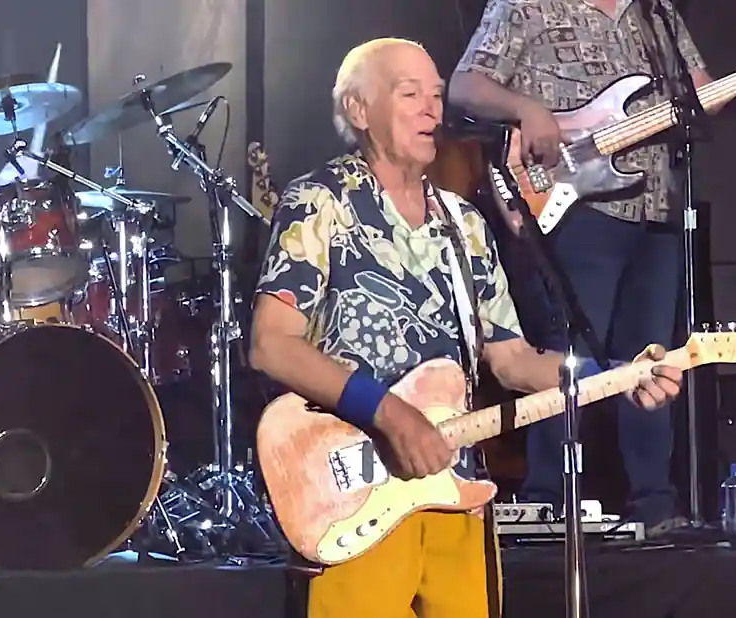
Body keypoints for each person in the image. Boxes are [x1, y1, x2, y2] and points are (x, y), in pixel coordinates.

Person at [249, 37, 684, 618]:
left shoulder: (464, 223)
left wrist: (617, 376)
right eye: (411, 94)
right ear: (359, 110)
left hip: (456, 497)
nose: (434, 109)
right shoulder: (319, 203)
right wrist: (389, 412)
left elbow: (510, 359)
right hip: (353, 501)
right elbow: (270, 345)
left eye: (436, 95)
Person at [447, 0, 736, 535]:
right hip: (574, 205)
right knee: (565, 355)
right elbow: (464, 85)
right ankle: (546, 502)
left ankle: (653, 506)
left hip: (658, 206)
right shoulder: (526, 5)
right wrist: (527, 107)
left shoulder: (655, 12)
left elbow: (698, 94)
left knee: (653, 358)